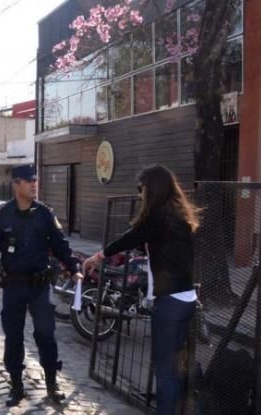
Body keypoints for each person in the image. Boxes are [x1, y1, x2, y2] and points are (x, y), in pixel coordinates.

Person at [83, 164, 199, 415]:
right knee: (175, 369)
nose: (139, 193)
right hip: (186, 299)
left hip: (170, 304)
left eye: (141, 188)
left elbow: (129, 238)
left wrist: (99, 256)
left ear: (152, 189)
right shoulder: (178, 217)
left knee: (164, 371)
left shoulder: (159, 218)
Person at [0, 164, 83, 407]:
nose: (34, 184)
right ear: (16, 184)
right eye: (28, 181)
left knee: (46, 334)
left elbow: (60, 244)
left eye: (35, 180)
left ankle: (51, 384)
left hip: (39, 286)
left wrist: (74, 268)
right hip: (14, 286)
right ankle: (16, 386)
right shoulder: (2, 214)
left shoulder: (45, 214)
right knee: (13, 336)